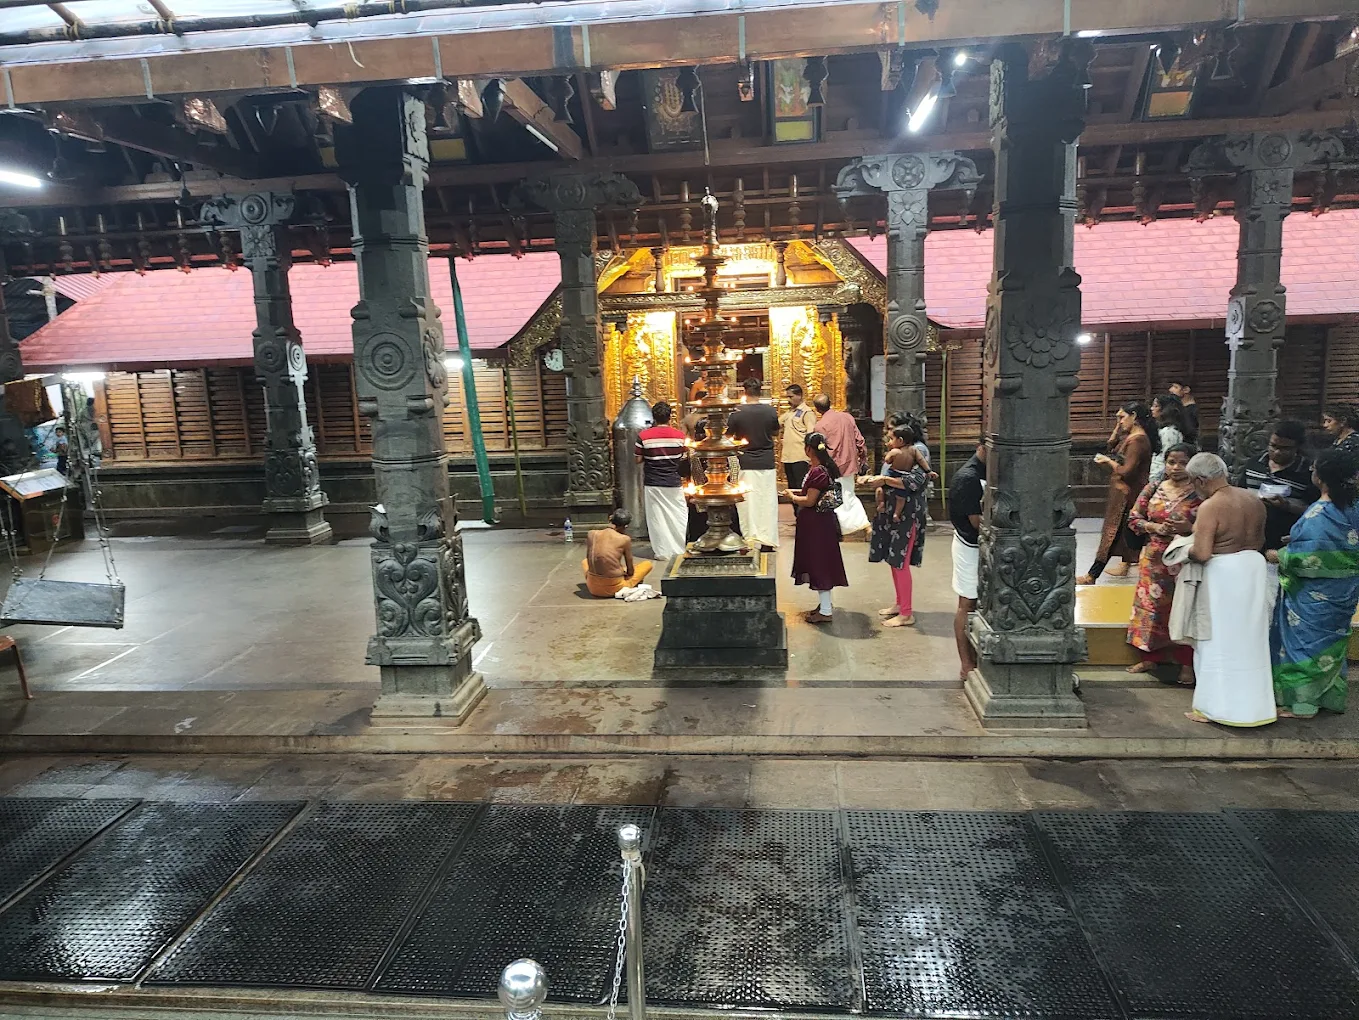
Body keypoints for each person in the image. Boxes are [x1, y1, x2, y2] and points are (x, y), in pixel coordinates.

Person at [1183, 452, 1276, 727]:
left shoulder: (1211, 506)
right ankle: (1257, 709)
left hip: (1223, 574)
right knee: (1251, 640)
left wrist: (1180, 547)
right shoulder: (1253, 499)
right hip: (1253, 567)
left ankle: (1214, 708)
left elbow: (1202, 553)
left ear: (1200, 480)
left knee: (1216, 641)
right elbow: (1259, 540)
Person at [1267, 449, 1359, 718]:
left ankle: (1302, 704)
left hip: (1313, 593)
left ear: (1321, 476)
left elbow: (1308, 559)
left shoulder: (1319, 514)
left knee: (1304, 644)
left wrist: (1277, 555)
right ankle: (1329, 696)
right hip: (1346, 590)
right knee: (1332, 643)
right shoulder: (1353, 508)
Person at [1125, 443, 1202, 685]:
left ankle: (1186, 664)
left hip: (1184, 558)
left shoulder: (1200, 492)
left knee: (1184, 609)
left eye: (1183, 462)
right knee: (1150, 608)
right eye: (1171, 462)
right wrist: (1154, 527)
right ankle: (1149, 657)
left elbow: (1212, 524)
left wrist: (1189, 529)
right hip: (1153, 558)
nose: (1176, 467)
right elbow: (1134, 517)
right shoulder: (1154, 487)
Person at [1078, 402, 1158, 584]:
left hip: (1127, 495)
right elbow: (1111, 446)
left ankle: (1092, 575)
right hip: (1123, 493)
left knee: (1112, 535)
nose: (1119, 421)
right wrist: (1117, 428)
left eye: (1122, 417)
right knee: (1127, 535)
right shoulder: (1131, 437)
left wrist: (1109, 462)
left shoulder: (1138, 440)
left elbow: (1126, 471)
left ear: (1134, 416)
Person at [862, 423, 929, 628]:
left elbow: (914, 482)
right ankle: (900, 604)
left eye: (891, 437)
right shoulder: (896, 455)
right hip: (893, 514)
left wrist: (884, 480)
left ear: (902, 439)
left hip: (908, 517)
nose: (888, 442)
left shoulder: (916, 454)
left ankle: (907, 613)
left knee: (900, 563)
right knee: (894, 560)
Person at [783, 432, 848, 624]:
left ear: (808, 449)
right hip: (818, 523)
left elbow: (810, 500)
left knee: (819, 563)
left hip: (816, 525)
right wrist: (794, 492)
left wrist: (792, 498)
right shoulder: (819, 469)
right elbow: (811, 493)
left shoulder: (817, 472)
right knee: (820, 561)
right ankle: (824, 605)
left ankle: (826, 611)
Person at [1242, 420, 1319, 553]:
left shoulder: (1308, 473)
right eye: (1273, 446)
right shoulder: (1254, 464)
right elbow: (1239, 493)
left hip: (1285, 543)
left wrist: (1286, 506)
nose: (1277, 452)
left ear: (1297, 448)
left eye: (1285, 448)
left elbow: (1316, 511)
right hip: (1250, 539)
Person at [726, 378, 781, 549]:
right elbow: (776, 432)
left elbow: (728, 436)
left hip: (746, 460)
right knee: (767, 502)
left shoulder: (737, 413)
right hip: (766, 461)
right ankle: (768, 540)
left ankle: (750, 538)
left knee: (747, 503)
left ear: (744, 391)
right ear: (760, 391)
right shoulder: (770, 411)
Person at [949, 443, 986, 681]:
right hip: (968, 545)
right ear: (981, 447)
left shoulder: (986, 471)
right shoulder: (968, 477)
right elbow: (976, 522)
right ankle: (966, 664)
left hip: (979, 546)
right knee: (967, 602)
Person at [811, 393, 871, 536]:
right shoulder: (847, 417)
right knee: (849, 495)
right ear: (830, 403)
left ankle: (840, 529)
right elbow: (860, 440)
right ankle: (865, 526)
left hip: (832, 468)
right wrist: (863, 458)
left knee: (835, 499)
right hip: (849, 464)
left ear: (817, 409)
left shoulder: (820, 426)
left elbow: (820, 451)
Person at [635, 401, 688, 560]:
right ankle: (678, 548)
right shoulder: (680, 436)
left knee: (657, 517)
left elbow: (638, 460)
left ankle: (662, 551)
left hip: (653, 482)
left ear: (654, 417)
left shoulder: (643, 436)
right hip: (673, 481)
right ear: (670, 417)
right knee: (678, 515)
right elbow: (683, 457)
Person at [582, 509, 653, 598]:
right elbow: (630, 571)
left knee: (585, 562)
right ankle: (624, 582)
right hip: (614, 588)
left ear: (610, 519)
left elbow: (590, 558)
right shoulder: (624, 539)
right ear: (625, 526)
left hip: (592, 587)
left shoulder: (592, 534)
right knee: (647, 564)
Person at [778, 384, 818, 511]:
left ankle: (803, 515)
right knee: (792, 488)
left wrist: (811, 456)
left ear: (799, 396)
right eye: (787, 397)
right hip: (788, 456)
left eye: (791, 396)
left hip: (800, 456)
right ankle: (797, 514)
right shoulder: (790, 413)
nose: (788, 400)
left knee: (801, 488)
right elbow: (777, 423)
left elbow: (811, 435)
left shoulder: (807, 413)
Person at [1148, 394, 1189, 484]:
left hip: (1160, 476)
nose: (1152, 409)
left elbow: (1166, 456)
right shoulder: (1163, 429)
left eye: (1156, 406)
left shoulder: (1169, 431)